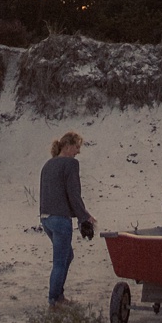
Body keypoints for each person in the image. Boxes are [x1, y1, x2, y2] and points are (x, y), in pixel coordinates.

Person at [38, 130, 95, 306]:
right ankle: (55, 299)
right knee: (60, 261)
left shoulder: (48, 164)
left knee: (67, 256)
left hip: (46, 218)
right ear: (68, 146)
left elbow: (49, 193)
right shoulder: (70, 164)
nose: (78, 152)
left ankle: (58, 295)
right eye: (77, 147)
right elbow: (73, 194)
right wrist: (84, 217)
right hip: (60, 220)